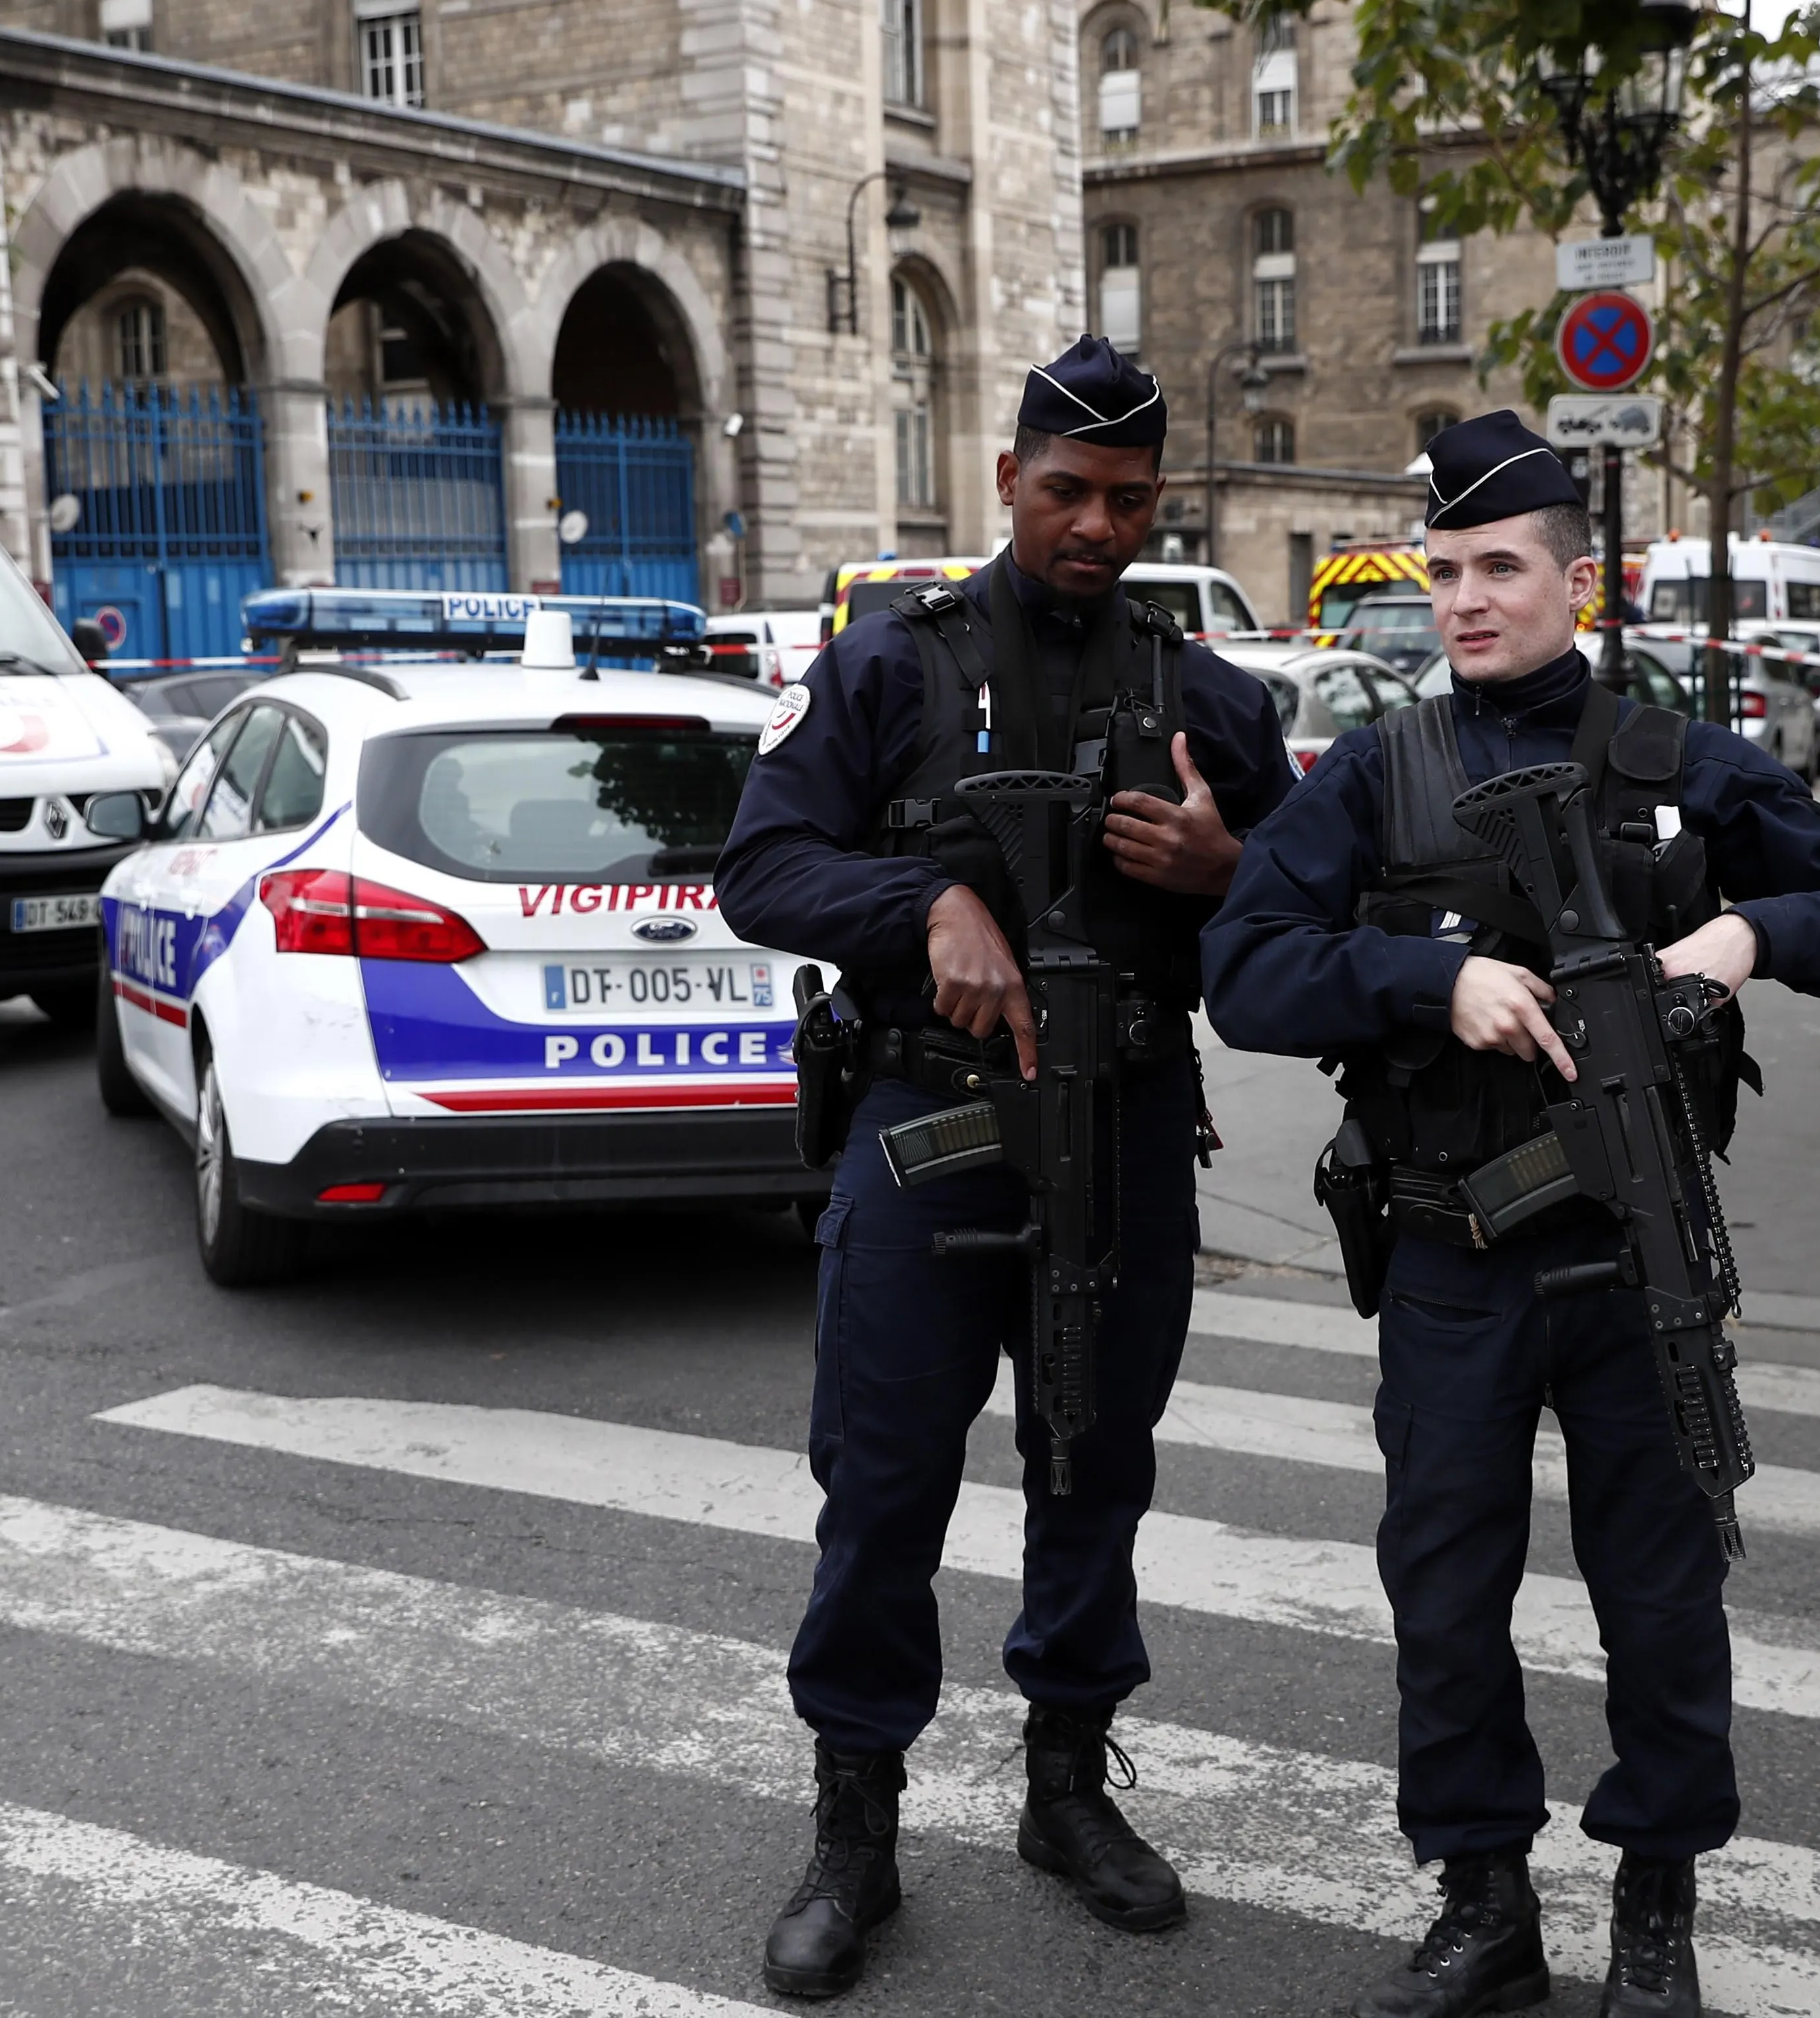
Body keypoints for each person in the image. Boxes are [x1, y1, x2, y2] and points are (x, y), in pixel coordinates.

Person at [1200, 411, 1820, 2018]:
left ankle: (1656, 1911)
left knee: (1662, 1601)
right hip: (1451, 1249)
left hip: (1636, 1260)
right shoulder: (1376, 773)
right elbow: (1244, 967)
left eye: (1501, 568)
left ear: (1577, 582)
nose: (1467, 601)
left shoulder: (1682, 769)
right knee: (1447, 1591)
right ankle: (1485, 1905)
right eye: (1446, 570)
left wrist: (1744, 938)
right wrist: (1430, 980)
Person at [715, 334, 1297, 2000]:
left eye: (1126, 499)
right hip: (932, 1127)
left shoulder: (1210, 697)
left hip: (1121, 1137)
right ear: (1007, 481)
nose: (1095, 527)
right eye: (1065, 492)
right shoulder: (893, 667)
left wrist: (1225, 860)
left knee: (1094, 1472)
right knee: (883, 1485)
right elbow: (760, 865)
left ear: (1157, 500)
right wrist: (925, 908)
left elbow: (1322, 915)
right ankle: (856, 1831)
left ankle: (1064, 1788)